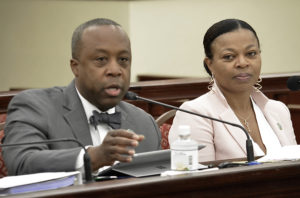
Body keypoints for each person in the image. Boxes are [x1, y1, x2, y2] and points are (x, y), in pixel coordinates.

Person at [2, 18, 161, 176]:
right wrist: (92, 158)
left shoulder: (144, 123)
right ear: (75, 67)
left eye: (123, 60)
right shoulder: (35, 107)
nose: (115, 70)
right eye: (101, 60)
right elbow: (21, 162)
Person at [169, 19, 297, 162]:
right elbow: (196, 180)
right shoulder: (195, 114)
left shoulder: (278, 110)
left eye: (251, 53)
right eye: (229, 57)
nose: (242, 63)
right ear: (210, 64)